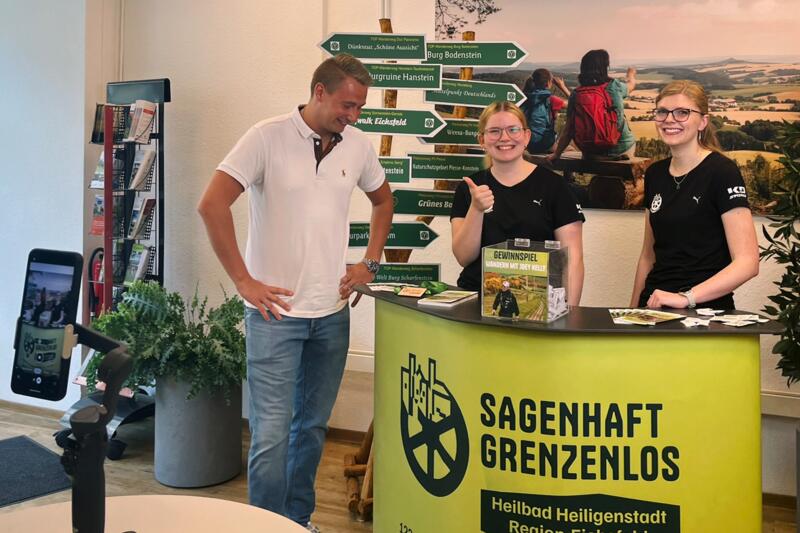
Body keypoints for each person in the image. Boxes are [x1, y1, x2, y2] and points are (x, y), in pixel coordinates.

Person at [197, 53, 393, 530]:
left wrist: (368, 263)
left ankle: (297, 521)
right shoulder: (266, 137)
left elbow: (384, 200)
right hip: (275, 316)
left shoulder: (358, 146)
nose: (353, 116)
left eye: (360, 107)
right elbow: (212, 205)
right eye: (347, 105)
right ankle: (264, 526)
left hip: (332, 314)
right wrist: (244, 281)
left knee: (310, 428)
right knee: (270, 436)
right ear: (319, 91)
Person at [630, 80, 759, 310]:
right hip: (654, 307)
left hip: (705, 311)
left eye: (682, 112)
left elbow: (748, 262)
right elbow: (648, 256)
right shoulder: (655, 173)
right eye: (662, 112)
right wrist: (631, 312)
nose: (669, 119)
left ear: (703, 122)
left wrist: (685, 298)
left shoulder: (722, 172)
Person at [450, 100, 585, 306]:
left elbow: (572, 260)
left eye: (513, 129)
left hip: (538, 305)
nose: (504, 138)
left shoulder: (555, 187)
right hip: (474, 303)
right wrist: (476, 209)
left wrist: (571, 313)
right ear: (482, 140)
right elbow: (463, 257)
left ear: (526, 136)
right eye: (494, 131)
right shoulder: (469, 188)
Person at [550, 49, 637, 160]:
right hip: (621, 149)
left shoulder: (576, 94)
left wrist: (556, 154)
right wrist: (631, 74)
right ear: (605, 68)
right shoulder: (615, 87)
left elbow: (568, 130)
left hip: (591, 152)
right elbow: (631, 85)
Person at [520, 68, 570, 154]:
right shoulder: (551, 99)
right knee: (570, 149)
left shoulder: (523, 97)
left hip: (526, 143)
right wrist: (562, 87)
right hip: (545, 144)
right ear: (548, 83)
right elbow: (576, 103)